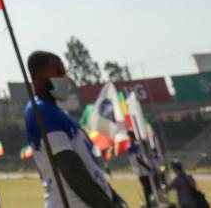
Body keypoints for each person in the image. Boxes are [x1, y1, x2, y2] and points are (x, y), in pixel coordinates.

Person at [24, 50, 126, 208]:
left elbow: (89, 167)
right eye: (58, 73)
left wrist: (112, 196)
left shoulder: (60, 113)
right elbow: (72, 170)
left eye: (64, 74)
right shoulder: (40, 111)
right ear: (38, 79)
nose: (64, 79)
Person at [129, 136, 154, 207]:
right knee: (146, 188)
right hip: (141, 172)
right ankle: (148, 204)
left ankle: (149, 202)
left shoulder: (141, 149)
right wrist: (148, 167)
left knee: (149, 188)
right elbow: (138, 160)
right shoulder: (136, 148)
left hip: (144, 172)